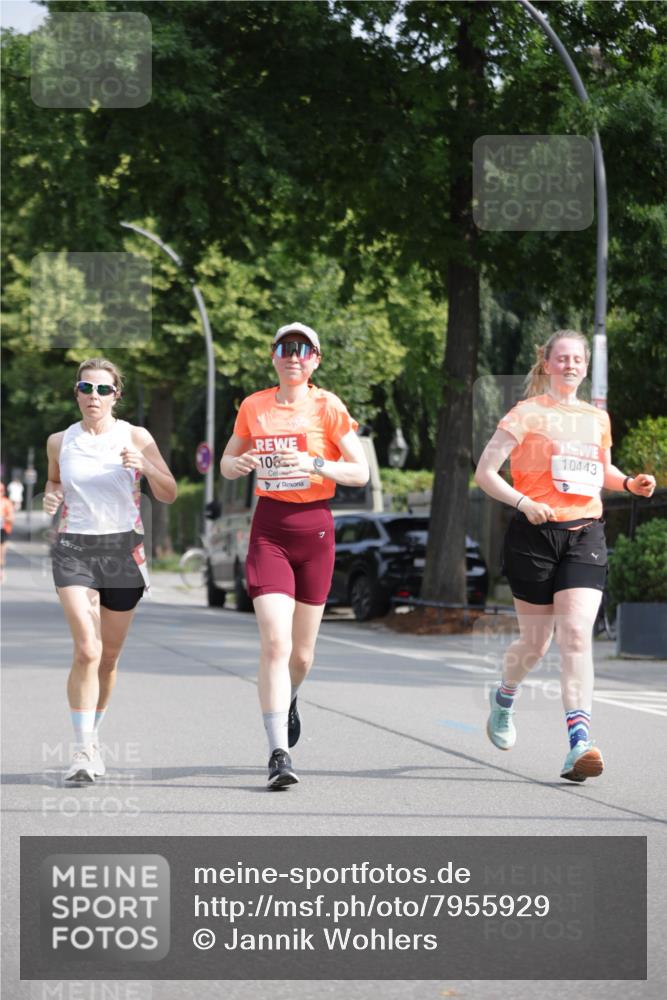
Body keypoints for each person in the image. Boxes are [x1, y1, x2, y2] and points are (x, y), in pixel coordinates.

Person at [474, 330, 655, 782]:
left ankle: (579, 743)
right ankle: (505, 696)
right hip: (533, 535)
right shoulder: (526, 413)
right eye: (563, 358)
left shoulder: (597, 418)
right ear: (548, 363)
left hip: (584, 534)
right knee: (536, 643)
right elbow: (485, 472)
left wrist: (630, 483)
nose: (571, 365)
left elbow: (602, 470)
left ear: (585, 366)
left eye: (578, 359)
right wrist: (522, 502)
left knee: (575, 635)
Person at [220, 322, 369, 789]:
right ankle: (278, 752)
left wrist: (314, 463)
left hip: (316, 531)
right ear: (274, 356)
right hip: (270, 529)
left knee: (301, 656)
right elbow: (226, 463)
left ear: (315, 360)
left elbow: (360, 472)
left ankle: (290, 696)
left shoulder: (328, 406)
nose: (294, 356)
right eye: (286, 348)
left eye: (303, 350)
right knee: (275, 643)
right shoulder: (254, 406)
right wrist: (237, 465)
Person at [43, 358, 177, 784]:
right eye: (87, 388)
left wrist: (145, 465)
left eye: (103, 390)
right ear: (77, 392)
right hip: (75, 549)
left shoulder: (135, 436)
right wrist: (51, 496)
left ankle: (93, 734)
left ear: (116, 395)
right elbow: (54, 481)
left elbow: (169, 492)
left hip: (122, 549)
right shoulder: (59, 441)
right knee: (87, 649)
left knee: (110, 656)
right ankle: (82, 751)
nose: (94, 397)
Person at [0, 483, 15, 580]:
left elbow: (12, 518)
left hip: (3, 530)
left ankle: (1, 570)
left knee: (1, 552)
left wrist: (3, 517)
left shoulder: (6, 502)